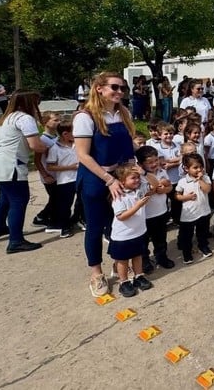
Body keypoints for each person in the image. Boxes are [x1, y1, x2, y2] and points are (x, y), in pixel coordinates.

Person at [73, 72, 137, 298]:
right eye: (114, 87)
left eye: (122, 88)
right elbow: (83, 155)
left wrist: (134, 173)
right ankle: (96, 273)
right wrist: (108, 180)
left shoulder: (123, 113)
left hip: (119, 176)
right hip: (96, 177)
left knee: (119, 224)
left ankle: (118, 263)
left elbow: (128, 151)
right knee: (95, 226)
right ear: (99, 88)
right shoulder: (86, 117)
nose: (119, 92)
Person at [0, 89, 47, 253]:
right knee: (19, 200)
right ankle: (16, 241)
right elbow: (35, 145)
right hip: (11, 164)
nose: (38, 105)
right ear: (29, 103)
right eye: (36, 102)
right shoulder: (25, 118)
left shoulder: (8, 117)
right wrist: (50, 146)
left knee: (5, 197)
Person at [108, 163, 154, 298]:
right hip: (123, 236)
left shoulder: (140, 190)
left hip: (139, 232)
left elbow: (155, 184)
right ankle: (124, 281)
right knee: (122, 260)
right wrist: (138, 206)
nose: (137, 180)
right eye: (133, 178)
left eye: (138, 177)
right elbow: (121, 216)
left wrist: (144, 173)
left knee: (137, 255)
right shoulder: (119, 196)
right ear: (122, 181)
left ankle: (138, 276)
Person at [136, 145, 175, 271]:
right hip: (146, 215)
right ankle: (145, 261)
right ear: (141, 164)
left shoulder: (162, 171)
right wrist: (156, 187)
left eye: (156, 160)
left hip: (161, 212)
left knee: (161, 239)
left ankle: (161, 257)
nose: (154, 164)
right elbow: (145, 193)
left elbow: (169, 187)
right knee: (144, 241)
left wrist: (165, 188)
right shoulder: (140, 177)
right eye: (149, 162)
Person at [175, 153, 214, 263]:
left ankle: (203, 246)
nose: (199, 170)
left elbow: (207, 190)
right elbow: (177, 195)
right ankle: (187, 252)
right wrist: (186, 197)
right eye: (195, 167)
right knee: (187, 235)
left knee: (203, 232)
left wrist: (200, 180)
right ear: (186, 169)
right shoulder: (183, 181)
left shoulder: (205, 178)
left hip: (204, 211)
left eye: (201, 167)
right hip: (189, 214)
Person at [44, 120, 78, 238]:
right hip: (66, 180)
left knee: (82, 201)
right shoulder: (55, 148)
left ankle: (77, 219)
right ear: (65, 134)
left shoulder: (77, 144)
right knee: (65, 205)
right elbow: (50, 166)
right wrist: (70, 167)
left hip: (79, 178)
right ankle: (64, 226)